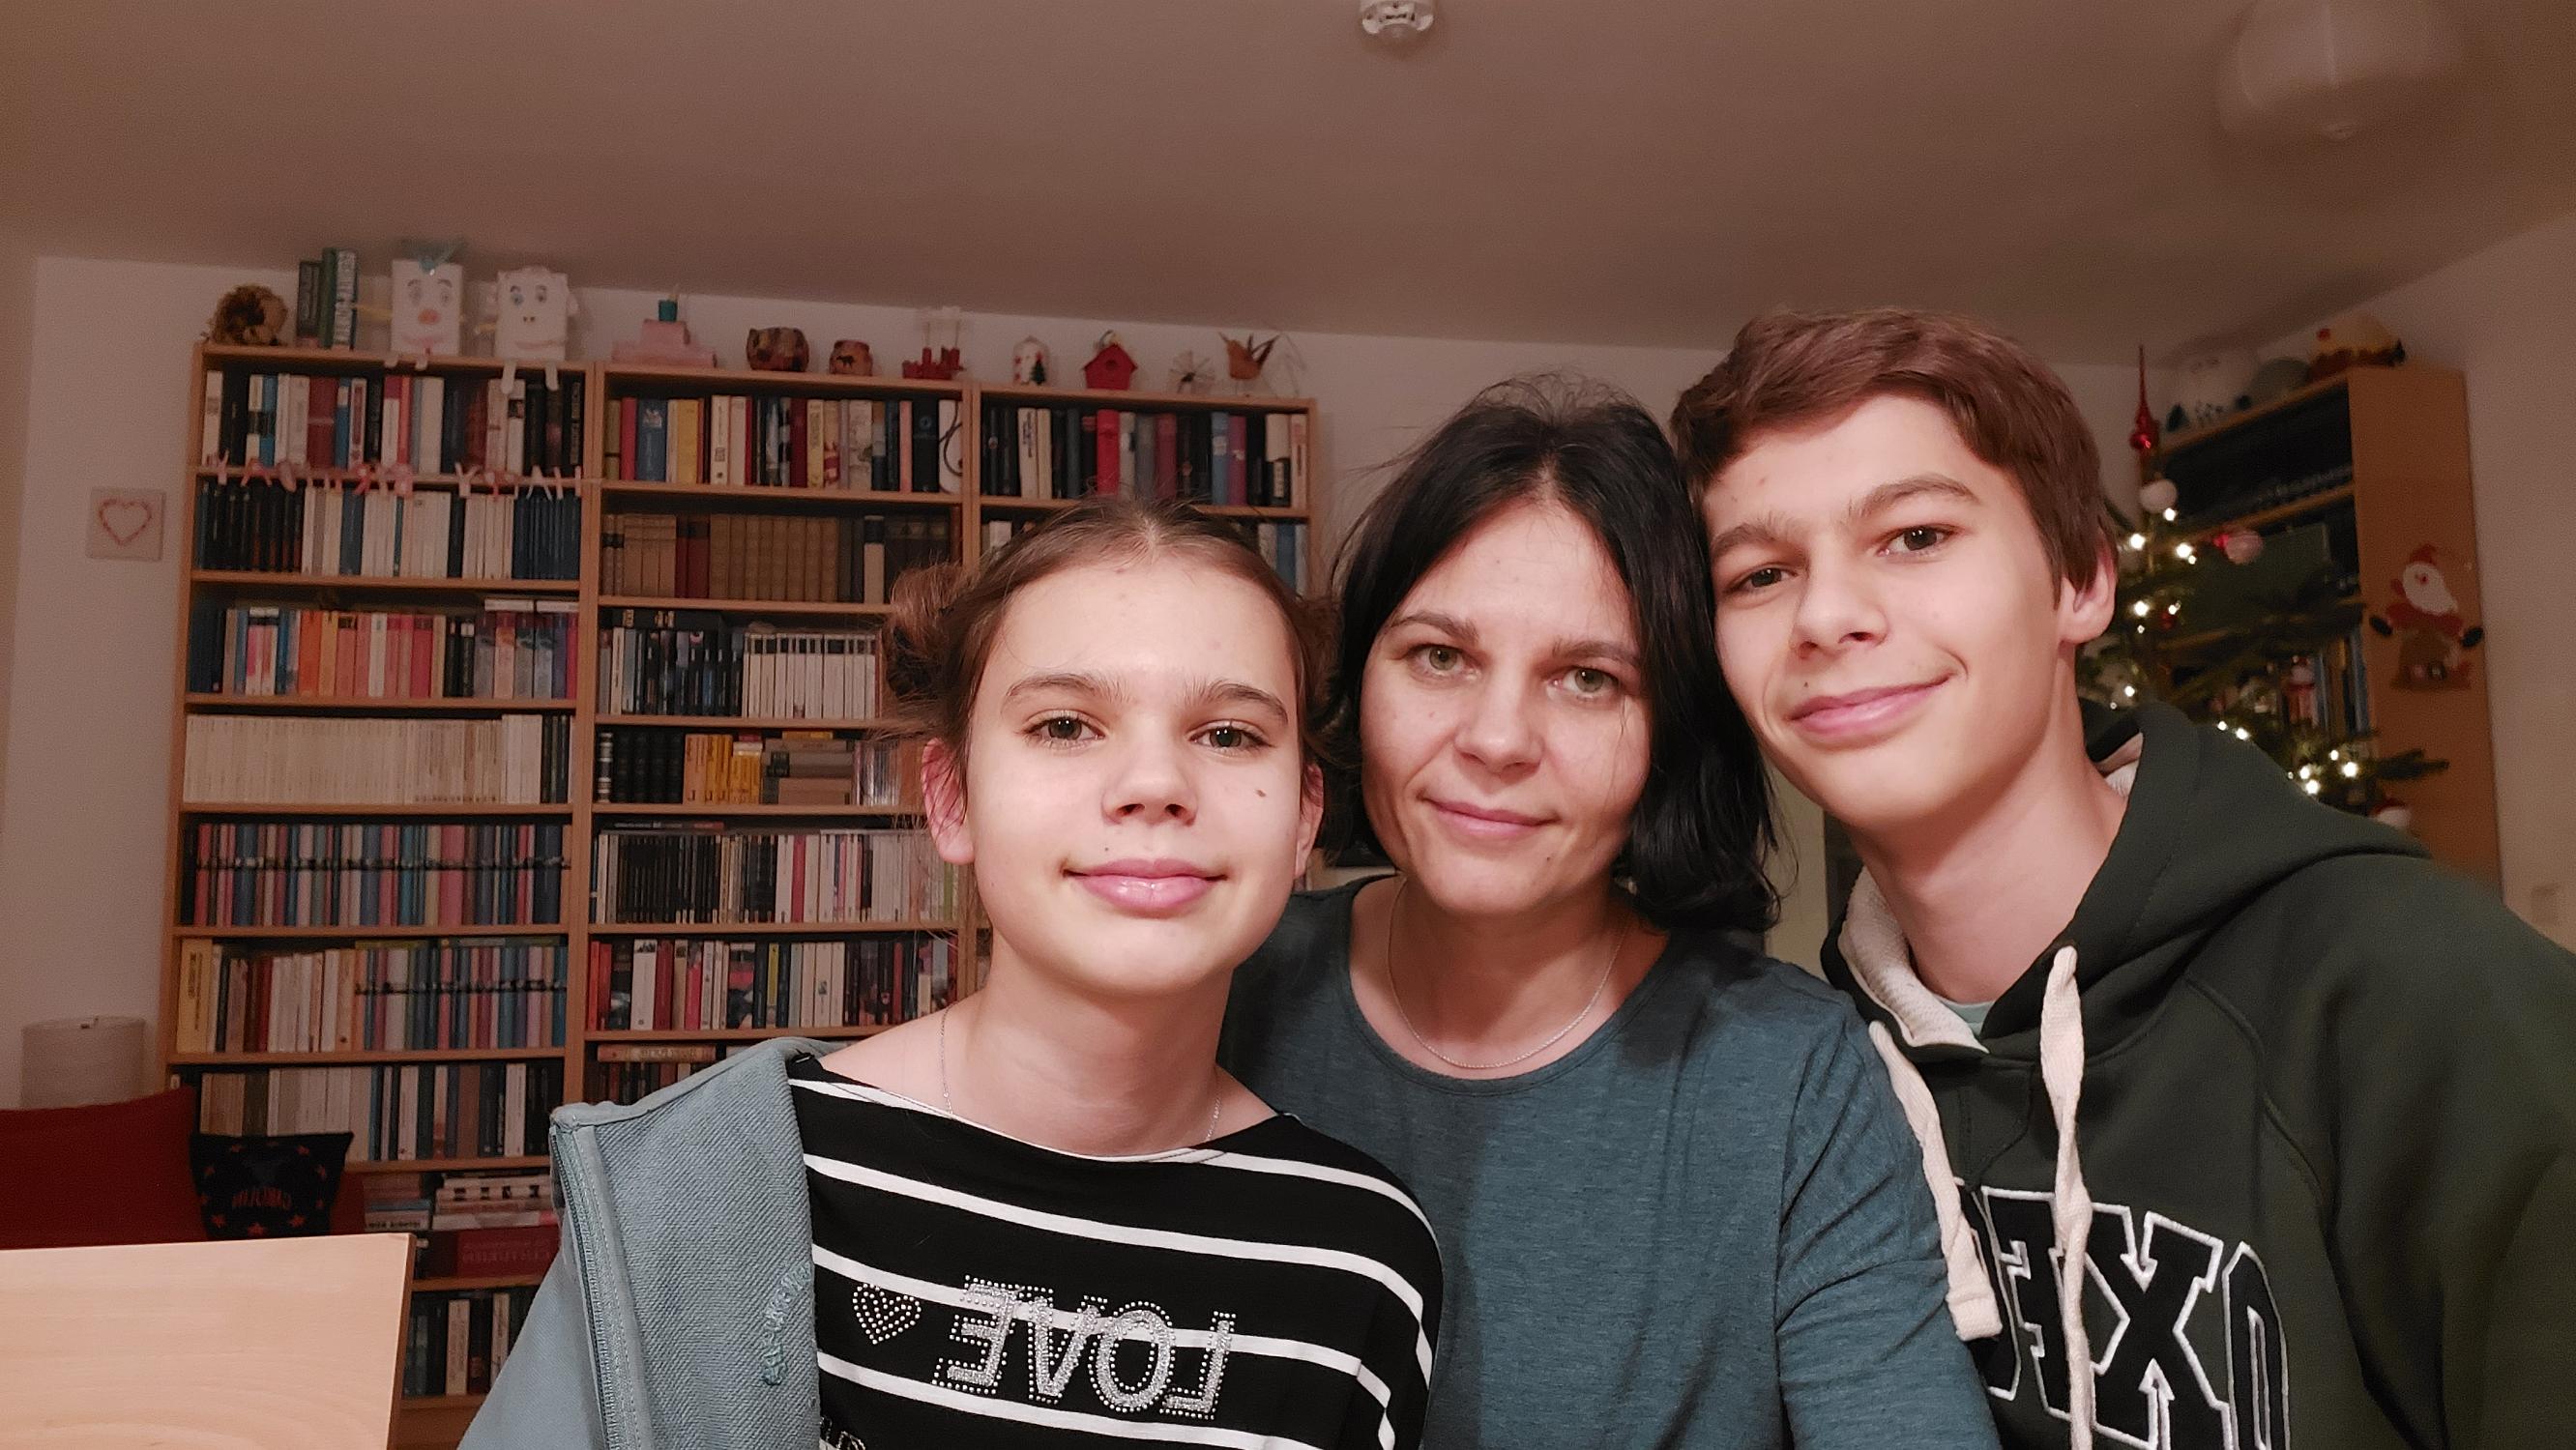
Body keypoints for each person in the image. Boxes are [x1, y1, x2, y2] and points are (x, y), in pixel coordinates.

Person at [1674, 306, 2576, 1450]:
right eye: (1760, 573)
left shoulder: (2415, 990)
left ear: (2082, 581)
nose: (1828, 616)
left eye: (1915, 536)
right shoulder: (1814, 1071)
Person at [466, 500, 1442, 1450]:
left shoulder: (1361, 1259)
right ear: (951, 799)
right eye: (1065, 724)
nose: (1155, 785)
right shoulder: (702, 1186)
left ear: (1304, 818)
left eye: (1228, 734)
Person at [1220, 380, 2000, 1450]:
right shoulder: (1219, 991)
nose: (1498, 740)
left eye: (1586, 679)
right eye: (1441, 657)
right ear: (1360, 680)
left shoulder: (1788, 1073)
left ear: (1669, 735)